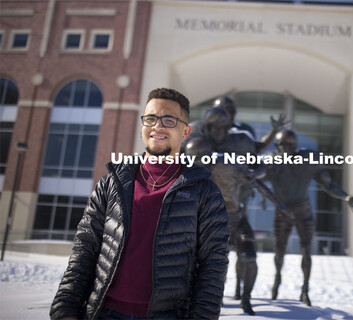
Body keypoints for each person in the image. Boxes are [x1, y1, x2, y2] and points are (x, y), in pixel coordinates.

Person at [50, 88, 230, 320]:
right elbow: (85, 249)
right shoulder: (111, 183)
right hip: (103, 313)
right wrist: (65, 308)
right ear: (142, 125)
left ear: (186, 131)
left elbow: (213, 264)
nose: (158, 126)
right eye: (151, 119)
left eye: (169, 120)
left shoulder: (204, 191)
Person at [184, 137, 293, 316]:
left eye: (197, 158)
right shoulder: (190, 174)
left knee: (249, 256)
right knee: (207, 264)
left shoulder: (228, 166)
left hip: (236, 219)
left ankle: (246, 298)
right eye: (191, 159)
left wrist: (279, 204)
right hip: (211, 223)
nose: (194, 163)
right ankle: (207, 300)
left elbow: (256, 182)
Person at [263, 129, 353, 306]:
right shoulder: (271, 161)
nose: (286, 149)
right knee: (279, 252)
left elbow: (328, 184)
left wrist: (345, 196)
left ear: (296, 146)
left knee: (306, 252)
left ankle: (305, 290)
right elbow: (257, 178)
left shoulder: (308, 159)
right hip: (283, 212)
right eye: (283, 145)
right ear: (277, 147)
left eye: (290, 145)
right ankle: (276, 283)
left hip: (303, 210)